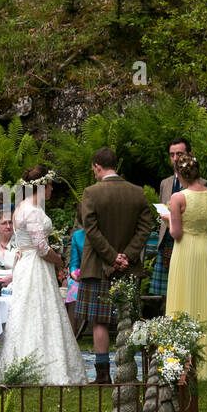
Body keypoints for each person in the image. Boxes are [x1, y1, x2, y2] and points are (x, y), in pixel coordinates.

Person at [0, 166, 86, 385]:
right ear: (43, 186)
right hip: (36, 265)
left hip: (26, 264)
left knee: (28, 312)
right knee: (39, 310)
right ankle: (44, 368)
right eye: (50, 186)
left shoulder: (21, 208)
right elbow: (41, 248)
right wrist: (58, 261)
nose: (52, 190)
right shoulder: (33, 211)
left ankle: (20, 365)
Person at [77, 147, 154, 384]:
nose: (94, 174)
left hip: (98, 266)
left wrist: (112, 257)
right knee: (127, 318)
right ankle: (127, 370)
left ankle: (102, 375)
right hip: (128, 267)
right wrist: (127, 256)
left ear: (98, 166)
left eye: (94, 170)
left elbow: (91, 230)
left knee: (99, 321)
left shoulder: (91, 193)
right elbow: (145, 227)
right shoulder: (137, 192)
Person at [164, 154, 207, 380]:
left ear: (180, 175)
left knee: (185, 299)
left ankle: (184, 363)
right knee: (206, 299)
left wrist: (168, 217)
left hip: (186, 250)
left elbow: (176, 233)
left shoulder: (178, 197)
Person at [151, 137, 205, 298]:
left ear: (190, 155)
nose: (175, 159)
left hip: (188, 243)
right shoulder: (165, 183)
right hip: (166, 244)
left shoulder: (203, 184)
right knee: (165, 297)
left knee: (187, 293)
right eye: (172, 155)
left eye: (179, 154)